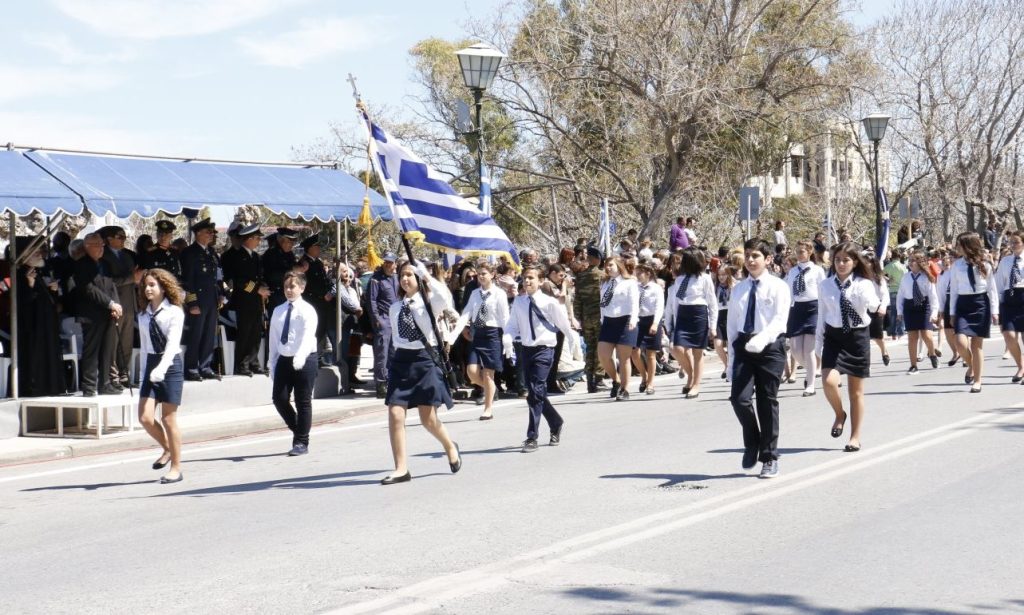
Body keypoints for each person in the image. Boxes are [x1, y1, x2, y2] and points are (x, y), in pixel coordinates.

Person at [380, 261, 462, 484]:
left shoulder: (429, 302)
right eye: (402, 275)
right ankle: (401, 468)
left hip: (425, 361)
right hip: (401, 362)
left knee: (428, 419)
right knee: (395, 413)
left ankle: (449, 446)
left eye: (410, 275)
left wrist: (426, 276)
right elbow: (397, 338)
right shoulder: (395, 307)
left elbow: (445, 297)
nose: (405, 279)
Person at [727, 238, 791, 478]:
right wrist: (732, 358)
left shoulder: (778, 287)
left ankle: (769, 456)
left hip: (769, 345)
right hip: (745, 345)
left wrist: (762, 339)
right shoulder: (740, 289)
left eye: (756, 256)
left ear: (768, 259)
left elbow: (779, 320)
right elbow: (733, 324)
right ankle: (752, 442)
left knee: (767, 401)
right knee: (739, 399)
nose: (751, 260)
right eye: (748, 255)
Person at [816, 242, 881, 453]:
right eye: (837, 260)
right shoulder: (825, 285)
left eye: (846, 260)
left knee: (856, 393)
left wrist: (875, 305)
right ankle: (839, 414)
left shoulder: (863, 284)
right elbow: (821, 316)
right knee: (828, 381)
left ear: (854, 262)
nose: (841, 264)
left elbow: (872, 302)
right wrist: (818, 345)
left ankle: (855, 437)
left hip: (857, 338)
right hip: (834, 337)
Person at [503, 265, 576, 453]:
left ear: (540, 281)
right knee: (536, 393)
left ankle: (531, 436)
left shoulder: (549, 302)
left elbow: (563, 324)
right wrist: (507, 339)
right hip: (526, 350)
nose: (527, 281)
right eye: (525, 278)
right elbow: (512, 326)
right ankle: (556, 421)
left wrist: (572, 339)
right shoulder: (519, 302)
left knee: (535, 392)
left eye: (531, 278)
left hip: (545, 350)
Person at [136, 268, 186, 484]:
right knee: (145, 417)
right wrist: (143, 375)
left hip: (170, 364)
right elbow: (145, 347)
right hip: (151, 363)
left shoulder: (175, 312)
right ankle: (166, 448)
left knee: (168, 418)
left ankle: (176, 467)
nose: (148, 289)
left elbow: (173, 344)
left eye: (152, 285)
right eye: (145, 285)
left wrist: (162, 369)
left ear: (163, 287)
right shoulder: (143, 315)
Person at [268, 272, 319, 456]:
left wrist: (300, 357)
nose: (289, 290)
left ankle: (301, 442)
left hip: (305, 358)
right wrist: (271, 360)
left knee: (302, 400)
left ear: (302, 288)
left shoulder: (307, 310)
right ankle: (298, 428)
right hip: (285, 357)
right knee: (279, 398)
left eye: (293, 287)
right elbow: (273, 338)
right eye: (286, 287)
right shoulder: (278, 310)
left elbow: (307, 336)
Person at [453, 262, 510, 420]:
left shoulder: (499, 294)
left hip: (492, 334)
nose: (481, 276)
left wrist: (508, 339)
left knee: (488, 373)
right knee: (471, 373)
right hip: (477, 333)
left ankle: (488, 408)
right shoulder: (475, 293)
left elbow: (504, 318)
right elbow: (466, 313)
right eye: (479, 274)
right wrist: (456, 332)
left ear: (492, 274)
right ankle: (491, 389)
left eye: (484, 273)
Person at [11, 237, 65, 396]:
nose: (38, 254)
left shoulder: (39, 271)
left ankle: (51, 387)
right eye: (32, 252)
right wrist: (29, 285)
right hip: (31, 327)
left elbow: (47, 300)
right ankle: (35, 388)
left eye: (38, 251)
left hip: (45, 324)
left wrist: (53, 291)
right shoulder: (20, 273)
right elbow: (21, 303)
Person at [949, 232, 1000, 392]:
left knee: (976, 344)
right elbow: (955, 290)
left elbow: (992, 289)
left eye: (959, 245)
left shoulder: (985, 265)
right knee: (960, 342)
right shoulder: (957, 265)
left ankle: (977, 380)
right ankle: (971, 365)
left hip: (980, 303)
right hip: (963, 304)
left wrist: (995, 311)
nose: (957, 248)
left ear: (968, 246)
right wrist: (952, 312)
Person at [72, 233, 123, 396]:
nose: (102, 248)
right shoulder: (81, 265)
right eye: (98, 245)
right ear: (88, 246)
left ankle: (105, 383)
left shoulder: (104, 264)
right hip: (91, 314)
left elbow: (111, 285)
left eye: (102, 245)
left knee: (107, 349)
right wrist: (110, 303)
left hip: (108, 313)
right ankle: (89, 386)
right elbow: (89, 289)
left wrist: (116, 304)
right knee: (92, 350)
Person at [665, 247, 718, 399]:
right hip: (682, 314)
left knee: (697, 353)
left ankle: (696, 384)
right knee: (676, 348)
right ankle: (691, 374)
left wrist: (712, 326)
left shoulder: (705, 278)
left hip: (698, 315)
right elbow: (675, 302)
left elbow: (712, 303)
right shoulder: (680, 279)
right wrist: (671, 323)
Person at [220, 223, 269, 376]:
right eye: (256, 238)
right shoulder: (237, 256)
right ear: (249, 239)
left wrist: (263, 287)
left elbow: (259, 277)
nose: (259, 241)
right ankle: (242, 364)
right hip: (243, 301)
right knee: (245, 332)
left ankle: (253, 362)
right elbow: (239, 281)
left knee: (255, 332)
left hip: (256, 301)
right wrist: (257, 289)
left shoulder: (256, 257)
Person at [180, 218, 221, 381]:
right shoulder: (189, 253)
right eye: (208, 232)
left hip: (211, 299)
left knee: (209, 335)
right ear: (198, 233)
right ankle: (191, 368)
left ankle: (205, 366)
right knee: (195, 335)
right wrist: (192, 302)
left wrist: (221, 294)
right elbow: (187, 280)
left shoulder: (211, 253)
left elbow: (217, 276)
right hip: (198, 300)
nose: (211, 235)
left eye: (212, 232)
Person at [784, 241, 826, 396]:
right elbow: (788, 292)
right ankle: (811, 370)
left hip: (813, 308)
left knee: (809, 350)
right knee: (795, 350)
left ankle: (811, 385)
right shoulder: (793, 271)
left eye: (802, 251)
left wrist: (824, 311)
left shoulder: (817, 270)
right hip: (797, 309)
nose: (799, 254)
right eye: (797, 251)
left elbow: (823, 291)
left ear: (809, 252)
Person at [597, 256, 640, 400]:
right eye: (606, 266)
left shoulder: (629, 283)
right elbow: (602, 304)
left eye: (611, 265)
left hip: (625, 320)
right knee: (603, 355)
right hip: (609, 321)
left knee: (624, 358)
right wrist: (602, 320)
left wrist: (634, 319)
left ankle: (624, 389)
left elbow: (634, 303)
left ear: (619, 265)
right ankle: (616, 380)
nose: (608, 268)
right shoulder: (605, 283)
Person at [99, 226, 138, 388]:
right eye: (120, 237)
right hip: (115, 304)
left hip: (129, 304)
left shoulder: (127, 256)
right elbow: (108, 283)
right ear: (109, 239)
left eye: (124, 236)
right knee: (113, 344)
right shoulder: (103, 257)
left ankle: (124, 374)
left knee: (126, 342)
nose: (124, 239)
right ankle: (112, 377)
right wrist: (132, 277)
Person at [896, 251, 940, 374]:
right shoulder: (905, 277)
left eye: (913, 261)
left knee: (927, 335)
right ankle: (913, 365)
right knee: (912, 338)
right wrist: (899, 311)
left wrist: (934, 312)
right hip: (910, 308)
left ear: (920, 263)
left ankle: (932, 354)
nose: (910, 263)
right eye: (909, 261)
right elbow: (900, 295)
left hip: (924, 306)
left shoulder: (927, 277)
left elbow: (933, 296)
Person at [298, 235, 336, 367]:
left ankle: (318, 356)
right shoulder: (304, 263)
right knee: (314, 330)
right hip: (313, 301)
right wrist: (323, 294)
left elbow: (324, 280)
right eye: (316, 247)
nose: (319, 249)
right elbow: (309, 284)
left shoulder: (318, 262)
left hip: (323, 302)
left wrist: (330, 291)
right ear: (310, 249)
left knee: (321, 330)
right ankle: (311, 357)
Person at [572, 246, 604, 392]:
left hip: (586, 317)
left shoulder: (581, 276)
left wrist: (577, 318)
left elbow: (577, 299)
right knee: (600, 348)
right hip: (599, 316)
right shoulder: (603, 276)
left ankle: (590, 380)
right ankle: (599, 379)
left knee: (590, 348)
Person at [368, 253, 399, 398]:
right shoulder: (375, 279)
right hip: (384, 319)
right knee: (382, 353)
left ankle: (391, 380)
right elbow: (372, 301)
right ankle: (380, 384)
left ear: (395, 264)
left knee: (394, 352)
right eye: (386, 262)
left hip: (396, 319)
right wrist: (377, 319)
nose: (388, 265)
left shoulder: (397, 278)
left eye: (390, 262)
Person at [995, 230, 1024, 382]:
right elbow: (999, 283)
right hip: (1009, 299)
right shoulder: (1006, 261)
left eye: (1016, 242)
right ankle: (1020, 365)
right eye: (1011, 242)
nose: (1013, 245)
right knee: (1009, 335)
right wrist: (998, 306)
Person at [631, 262, 664, 395]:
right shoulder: (635, 288)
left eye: (640, 273)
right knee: (635, 352)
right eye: (636, 273)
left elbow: (659, 307)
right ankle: (643, 376)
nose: (637, 276)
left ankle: (650, 383)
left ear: (648, 274)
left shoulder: (656, 288)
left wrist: (655, 323)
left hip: (651, 320)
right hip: (638, 320)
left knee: (651, 354)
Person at [336, 262, 363, 394]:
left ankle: (352, 377)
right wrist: (358, 309)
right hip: (344, 324)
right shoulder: (337, 287)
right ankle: (346, 383)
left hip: (354, 324)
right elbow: (352, 305)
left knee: (354, 353)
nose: (348, 277)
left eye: (349, 275)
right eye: (345, 273)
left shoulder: (353, 288)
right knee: (345, 353)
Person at [263, 227, 299, 315]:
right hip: (276, 296)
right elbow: (272, 276)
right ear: (281, 240)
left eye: (293, 242)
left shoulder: (289, 254)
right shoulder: (271, 254)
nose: (292, 245)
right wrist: (291, 271)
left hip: (288, 294)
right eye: (289, 242)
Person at [935, 251, 960, 366]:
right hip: (947, 302)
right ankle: (955, 353)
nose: (946, 263)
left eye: (948, 260)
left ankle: (965, 355)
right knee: (948, 330)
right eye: (944, 261)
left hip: (959, 300)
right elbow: (940, 293)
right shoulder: (940, 276)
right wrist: (941, 309)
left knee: (960, 330)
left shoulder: (956, 271)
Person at [713, 266, 735, 380]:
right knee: (718, 344)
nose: (721, 277)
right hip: (719, 315)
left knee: (731, 344)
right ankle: (726, 365)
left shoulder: (734, 286)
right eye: (719, 275)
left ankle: (731, 367)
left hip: (731, 314)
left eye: (724, 274)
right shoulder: (715, 287)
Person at [883, 251, 908, 340]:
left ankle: (893, 333)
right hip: (902, 291)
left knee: (893, 313)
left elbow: (880, 274)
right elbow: (907, 277)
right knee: (901, 312)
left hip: (893, 290)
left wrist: (888, 279)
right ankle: (900, 332)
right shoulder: (903, 267)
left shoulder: (889, 266)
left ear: (891, 257)